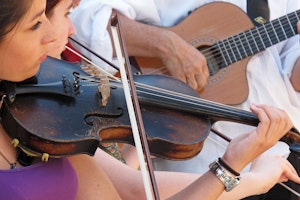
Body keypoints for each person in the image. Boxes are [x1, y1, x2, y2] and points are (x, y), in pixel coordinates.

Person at [0, 0, 300, 199]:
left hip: (270, 156)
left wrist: (235, 165)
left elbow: (131, 191)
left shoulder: (46, 121)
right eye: (36, 23)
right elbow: (95, 17)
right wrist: (166, 45)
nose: (63, 33)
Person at [69, 0, 300, 180]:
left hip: (275, 158)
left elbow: (294, 81)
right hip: (186, 164)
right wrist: (166, 45)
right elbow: (84, 18)